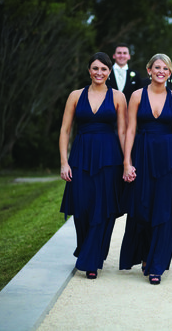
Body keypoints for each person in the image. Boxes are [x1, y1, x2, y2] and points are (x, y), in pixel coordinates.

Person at [59, 52, 127, 279]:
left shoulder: (118, 97)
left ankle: (92, 260)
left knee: (104, 209)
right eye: (95, 68)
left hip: (110, 158)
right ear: (89, 70)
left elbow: (123, 131)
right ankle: (88, 249)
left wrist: (127, 162)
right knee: (82, 208)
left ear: (110, 72)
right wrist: (64, 162)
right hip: (81, 157)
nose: (99, 73)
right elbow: (65, 130)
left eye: (104, 69)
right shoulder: (75, 96)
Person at [120, 54, 172, 285]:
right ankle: (146, 255)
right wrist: (127, 162)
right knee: (143, 208)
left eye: (165, 68)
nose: (161, 71)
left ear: (169, 72)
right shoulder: (137, 96)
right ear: (149, 70)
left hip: (168, 158)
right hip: (143, 154)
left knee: (164, 211)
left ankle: (157, 265)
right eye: (157, 67)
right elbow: (129, 130)